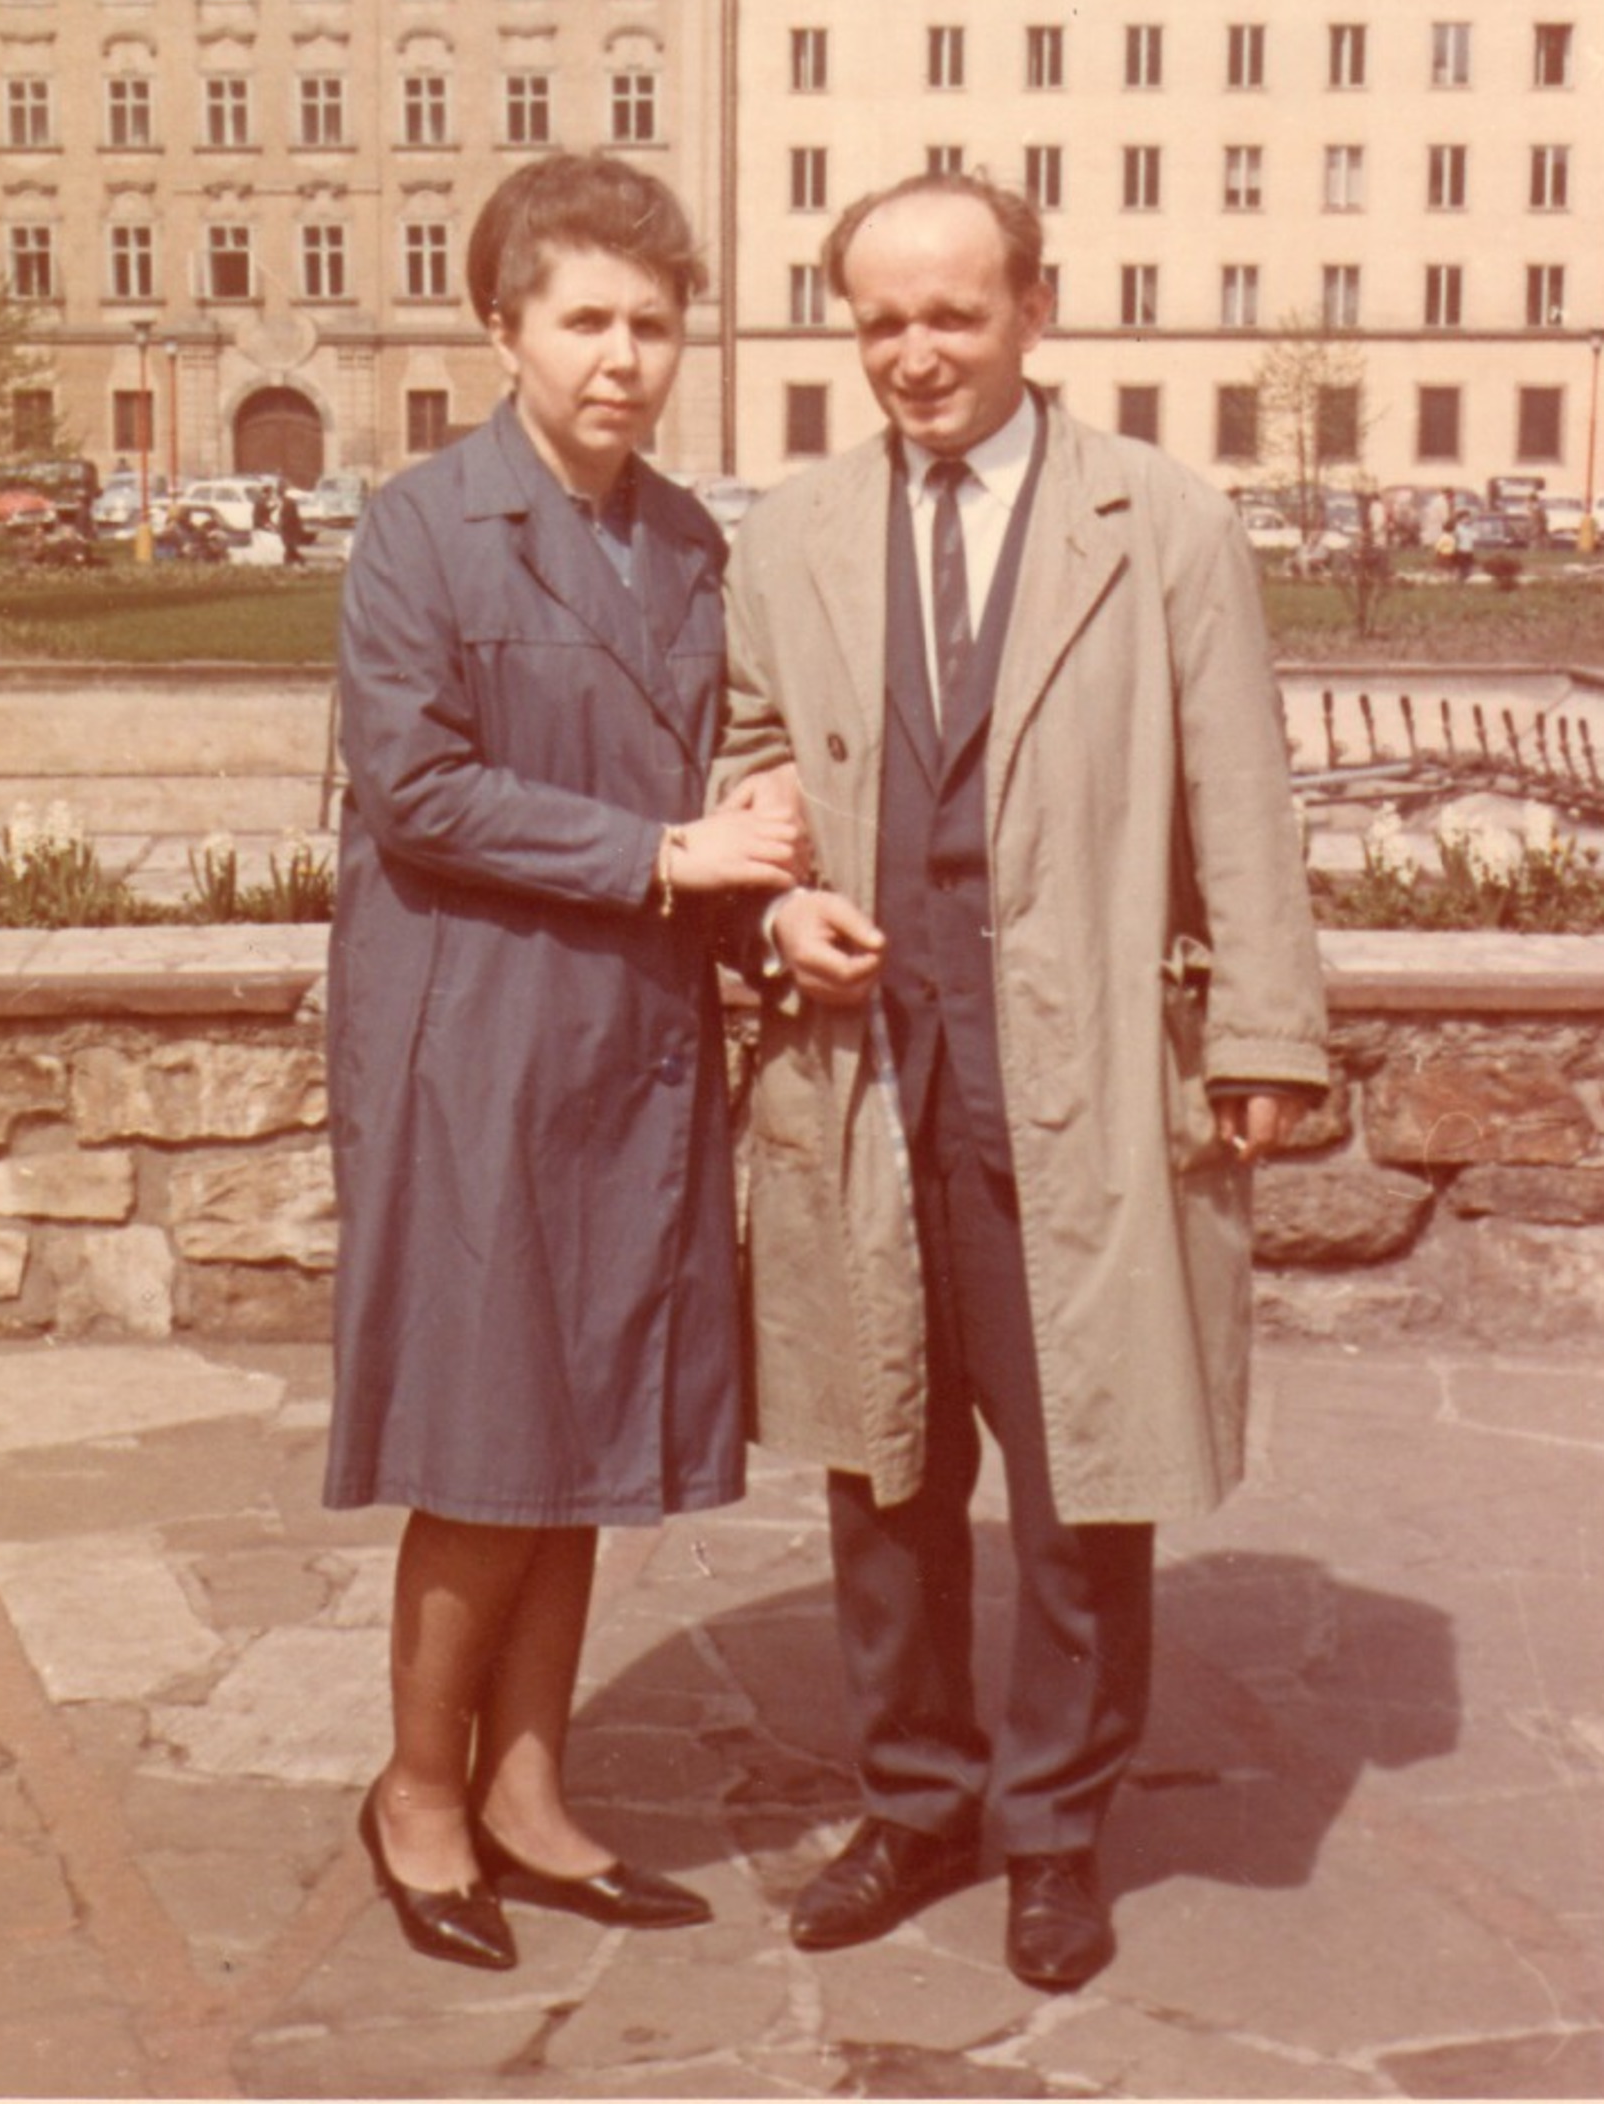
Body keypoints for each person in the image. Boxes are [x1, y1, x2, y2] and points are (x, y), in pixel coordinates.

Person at [715, 172, 1328, 1994]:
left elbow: (1239, 789)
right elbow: (750, 757)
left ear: (1031, 312)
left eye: (952, 315)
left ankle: (1055, 1832)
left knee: (1083, 1470)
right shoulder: (794, 535)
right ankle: (915, 1805)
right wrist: (779, 909)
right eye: (880, 323)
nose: (915, 355)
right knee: (882, 1463)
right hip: (867, 1069)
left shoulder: (1159, 520)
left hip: (1078, 1062)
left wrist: (1265, 1033)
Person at [323, 152, 803, 1972]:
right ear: (501, 328)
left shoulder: (684, 539)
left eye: (652, 325)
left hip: (638, 1043)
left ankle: (528, 1793)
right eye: (584, 320)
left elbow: (719, 784)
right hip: (476, 1034)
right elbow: (418, 789)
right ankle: (418, 1796)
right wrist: (669, 855)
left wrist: (770, 883)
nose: (621, 358)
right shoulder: (420, 526)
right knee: (482, 1436)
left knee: (593, 1420)